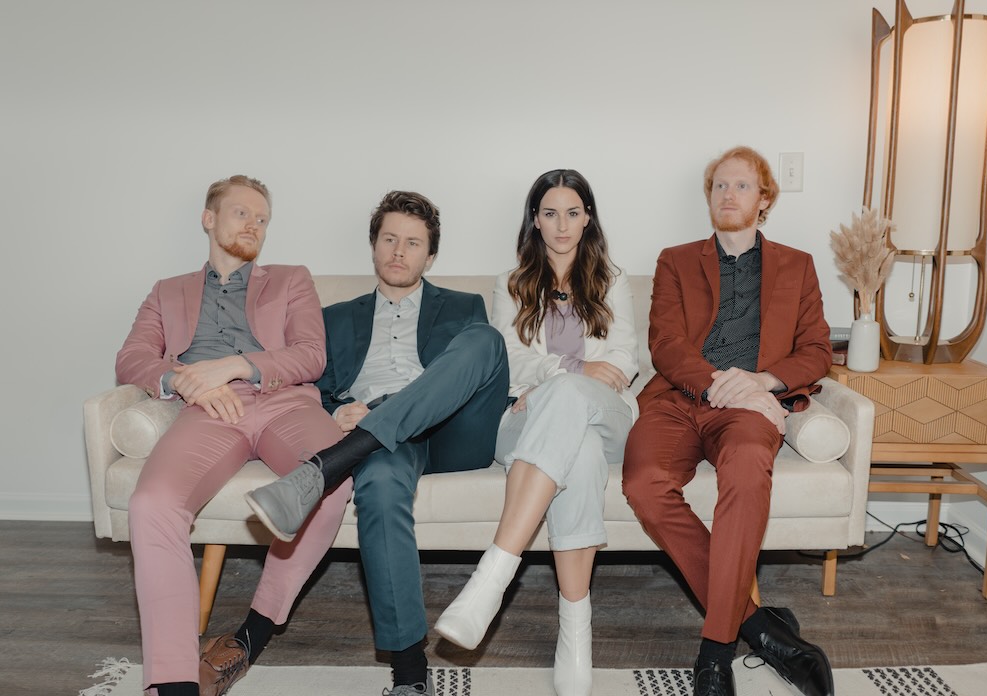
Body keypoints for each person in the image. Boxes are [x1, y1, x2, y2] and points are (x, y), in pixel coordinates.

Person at [245, 190, 510, 696]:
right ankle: (410, 675)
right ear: (373, 245)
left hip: (454, 431)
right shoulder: (335, 316)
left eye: (413, 243)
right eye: (389, 238)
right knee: (381, 486)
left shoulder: (464, 305)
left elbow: (475, 375)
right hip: (380, 442)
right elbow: (310, 389)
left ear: (430, 256)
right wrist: (334, 410)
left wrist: (384, 408)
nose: (399, 251)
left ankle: (327, 467)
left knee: (486, 340)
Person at [115, 175, 355, 696]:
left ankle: (256, 629)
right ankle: (176, 681)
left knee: (331, 477)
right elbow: (131, 358)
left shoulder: (292, 279)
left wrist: (236, 365)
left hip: (284, 402)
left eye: (263, 219)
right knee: (152, 504)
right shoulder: (167, 291)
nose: (254, 225)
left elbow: (311, 354)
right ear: (209, 218)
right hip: (208, 411)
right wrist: (182, 379)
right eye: (242, 213)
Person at [621, 147, 835, 696]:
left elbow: (816, 351)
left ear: (764, 199)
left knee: (745, 469)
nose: (728, 195)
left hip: (749, 406)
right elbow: (665, 344)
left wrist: (761, 382)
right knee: (644, 484)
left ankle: (716, 650)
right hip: (678, 397)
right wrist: (716, 381)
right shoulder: (675, 259)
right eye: (719, 185)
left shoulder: (797, 264)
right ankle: (759, 629)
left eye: (741, 186)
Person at [434, 169, 639, 696]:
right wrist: (562, 376)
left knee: (572, 402)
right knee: (581, 448)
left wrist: (556, 380)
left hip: (608, 414)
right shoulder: (511, 283)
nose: (562, 224)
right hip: (524, 420)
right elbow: (510, 358)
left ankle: (492, 576)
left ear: (588, 217)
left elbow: (623, 360)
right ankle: (576, 630)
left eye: (573, 212)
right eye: (550, 212)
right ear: (535, 219)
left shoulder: (613, 280)